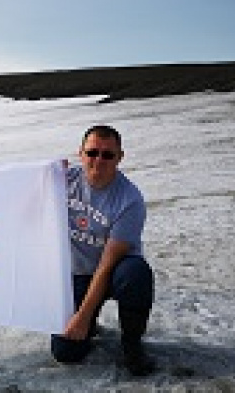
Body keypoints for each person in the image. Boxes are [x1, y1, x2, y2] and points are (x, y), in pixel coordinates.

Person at [51, 125, 156, 376]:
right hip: (77, 274)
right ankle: (91, 324)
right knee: (65, 352)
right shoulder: (62, 181)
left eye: (108, 155)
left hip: (115, 271)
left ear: (120, 157)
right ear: (80, 153)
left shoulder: (130, 200)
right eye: (92, 152)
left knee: (135, 274)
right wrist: (45, 172)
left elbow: (107, 265)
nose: (98, 160)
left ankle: (132, 343)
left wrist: (82, 316)